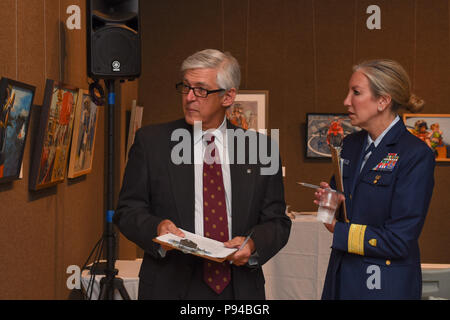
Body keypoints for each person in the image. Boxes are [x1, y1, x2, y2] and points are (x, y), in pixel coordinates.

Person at [113, 49, 291, 300]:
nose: (189, 97)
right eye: (185, 87)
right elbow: (127, 210)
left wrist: (253, 244)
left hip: (238, 289)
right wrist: (157, 228)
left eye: (201, 90)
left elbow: (277, 221)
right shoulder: (151, 143)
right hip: (170, 284)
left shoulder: (262, 149)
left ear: (228, 96)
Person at [314, 59, 435, 299]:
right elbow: (346, 209)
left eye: (356, 92)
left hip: (383, 286)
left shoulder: (415, 154)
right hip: (341, 277)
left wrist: (339, 230)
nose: (346, 101)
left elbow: (399, 240)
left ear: (383, 100)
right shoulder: (349, 145)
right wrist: (330, 204)